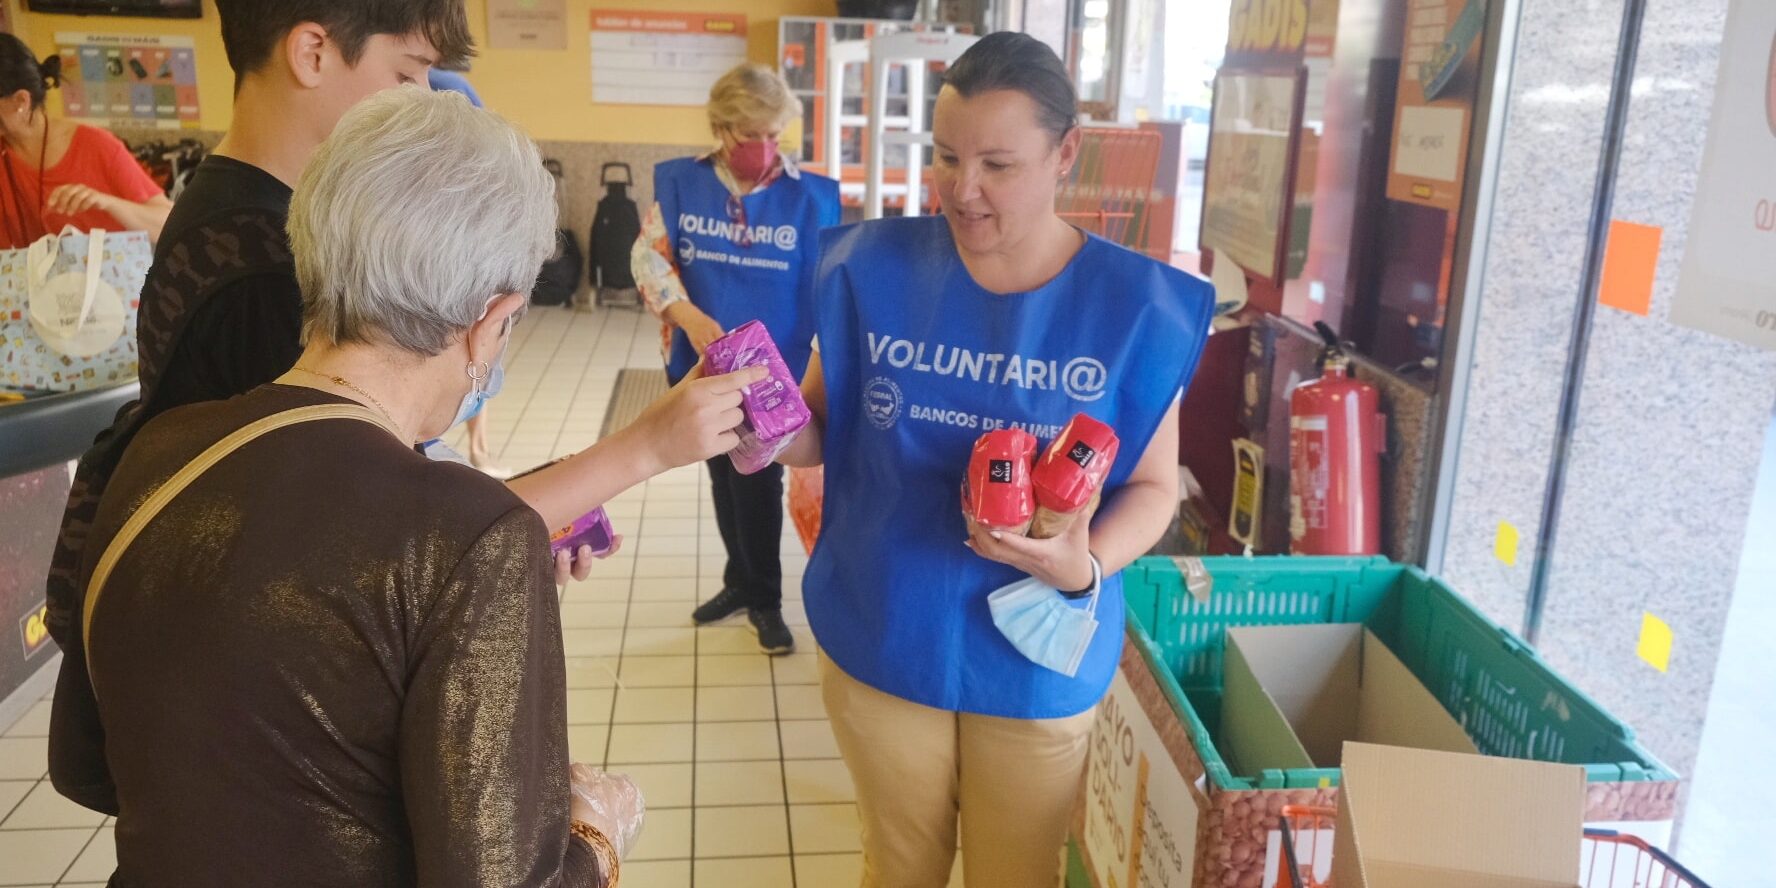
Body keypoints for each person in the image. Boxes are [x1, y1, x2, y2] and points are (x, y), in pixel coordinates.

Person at [64, 87, 746, 886]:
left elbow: (86, 765)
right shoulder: (470, 540)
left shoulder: (154, 452)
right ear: (493, 321)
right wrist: (596, 835)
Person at [44, 0, 649, 677]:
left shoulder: (232, 212)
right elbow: (391, 528)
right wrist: (647, 446)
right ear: (311, 54)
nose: (424, 98)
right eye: (408, 73)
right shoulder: (267, 272)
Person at [778, 33, 1214, 887]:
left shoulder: (1135, 309)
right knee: (900, 865)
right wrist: (762, 429)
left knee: (1016, 872)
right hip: (885, 624)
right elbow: (817, 429)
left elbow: (1157, 487)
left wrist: (1082, 563)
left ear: (1066, 156)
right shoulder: (875, 270)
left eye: (998, 164)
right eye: (945, 157)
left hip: (1040, 648)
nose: (962, 189)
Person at [632, 62, 839, 655]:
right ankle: (739, 581)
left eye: (776, 134)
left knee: (758, 480)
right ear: (721, 129)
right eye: (753, 136)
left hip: (779, 374)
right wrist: (688, 316)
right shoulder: (683, 187)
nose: (766, 149)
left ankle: (767, 602)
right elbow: (648, 259)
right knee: (721, 473)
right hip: (704, 363)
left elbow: (832, 281)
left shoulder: (809, 199)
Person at [0, 33, 173, 248]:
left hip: (107, 279)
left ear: (21, 101)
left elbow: (169, 224)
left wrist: (108, 203)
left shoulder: (95, 145)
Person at [423, 58, 509, 477]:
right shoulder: (445, 86)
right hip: (453, 255)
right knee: (476, 351)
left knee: (477, 352)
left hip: (461, 251)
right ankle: (476, 448)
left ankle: (477, 447)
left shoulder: (445, 86)